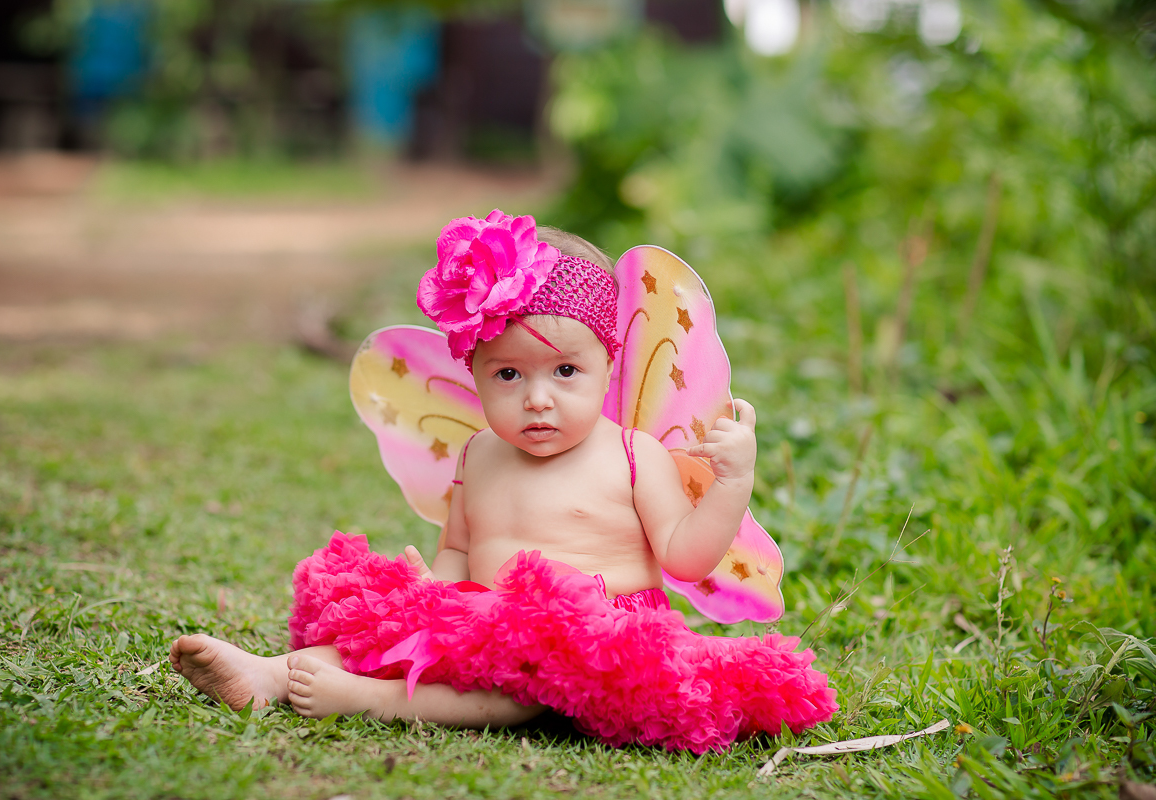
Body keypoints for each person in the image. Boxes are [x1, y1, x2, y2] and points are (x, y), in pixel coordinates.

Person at [170, 211, 836, 752]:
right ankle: (269, 676)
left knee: (518, 695)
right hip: (485, 620)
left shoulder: (634, 456)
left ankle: (375, 702)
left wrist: (732, 482)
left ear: (608, 364)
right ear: (477, 375)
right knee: (390, 628)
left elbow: (687, 555)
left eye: (563, 373)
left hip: (597, 639)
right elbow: (459, 548)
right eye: (508, 376)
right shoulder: (480, 453)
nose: (537, 400)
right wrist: (436, 591)